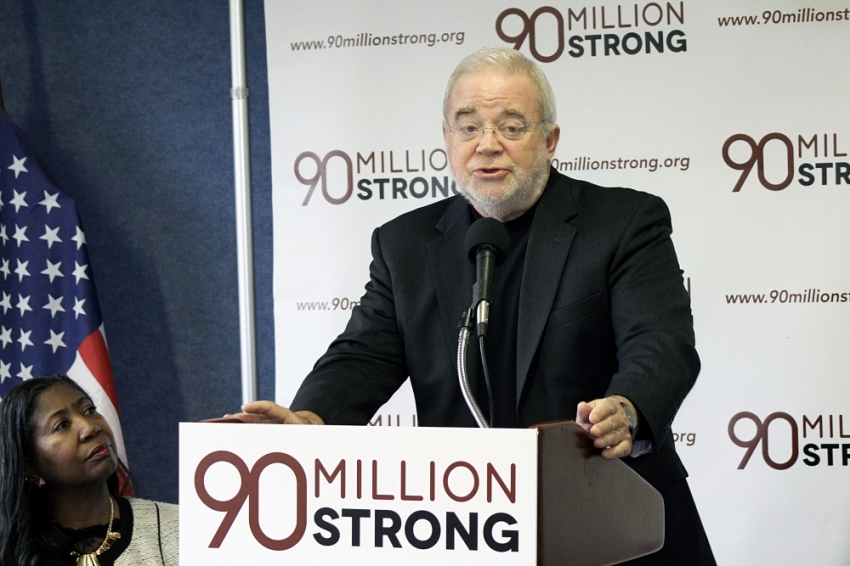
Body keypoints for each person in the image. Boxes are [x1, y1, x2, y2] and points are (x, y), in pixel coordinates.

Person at [234, 46, 715, 564]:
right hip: (473, 525)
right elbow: (361, 355)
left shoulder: (622, 222)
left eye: (511, 127)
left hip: (615, 517)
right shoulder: (405, 244)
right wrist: (313, 418)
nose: (487, 146)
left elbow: (661, 343)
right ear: (446, 140)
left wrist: (627, 408)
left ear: (550, 141)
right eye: (468, 127)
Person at [0, 375, 178, 566]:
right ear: (29, 466)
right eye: (62, 425)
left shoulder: (180, 526)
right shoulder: (10, 553)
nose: (90, 427)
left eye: (89, 410)